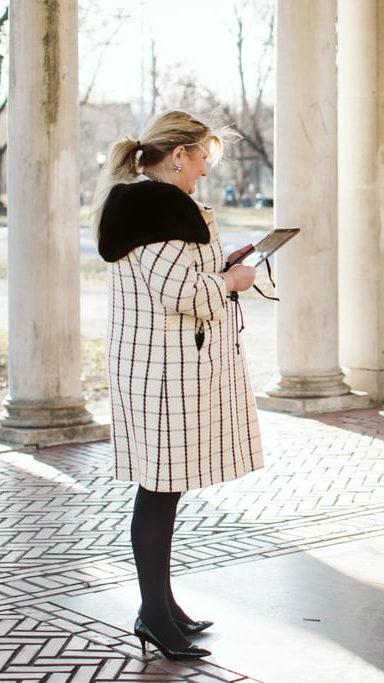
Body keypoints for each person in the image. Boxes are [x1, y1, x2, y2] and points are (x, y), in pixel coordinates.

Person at [92, 111, 264, 659]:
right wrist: (232, 280)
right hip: (161, 369)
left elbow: (181, 276)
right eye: (203, 160)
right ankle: (154, 616)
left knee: (165, 487)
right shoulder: (157, 207)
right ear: (179, 156)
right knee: (159, 490)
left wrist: (222, 264)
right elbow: (181, 294)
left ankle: (162, 607)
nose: (206, 173)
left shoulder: (155, 205)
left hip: (159, 364)